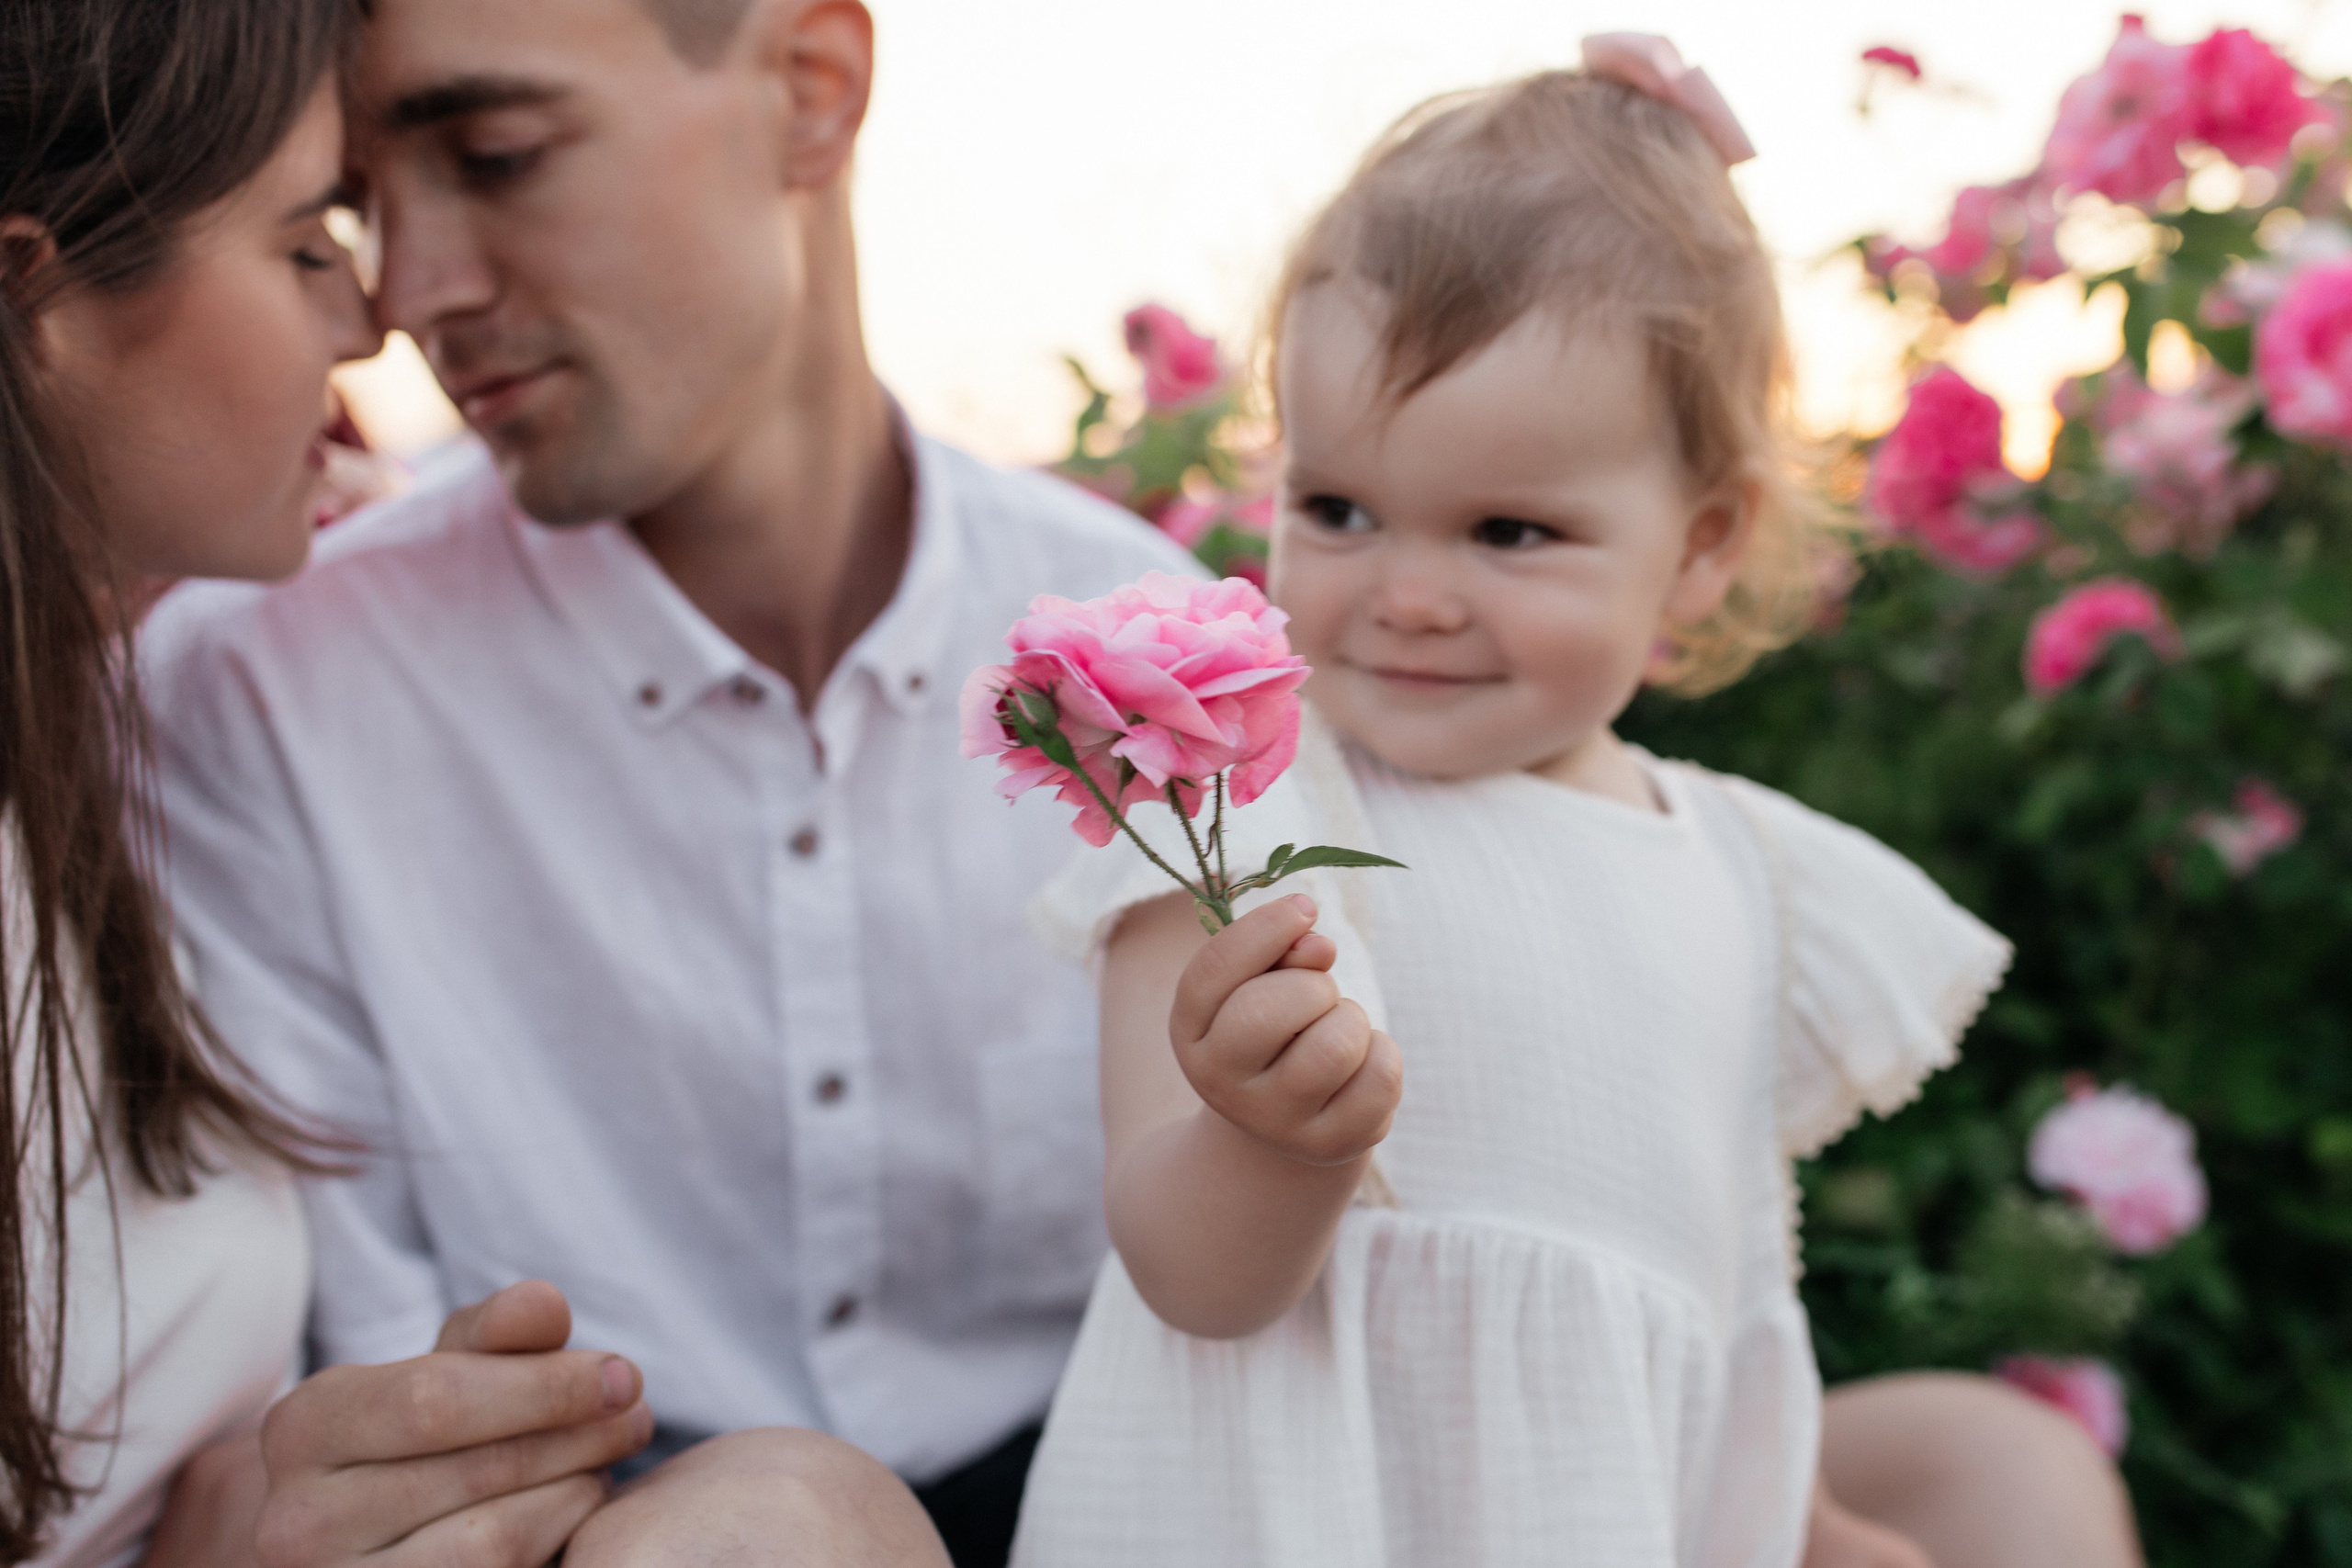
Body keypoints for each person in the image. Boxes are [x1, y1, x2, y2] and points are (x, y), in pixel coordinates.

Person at [1007, 41, 2146, 1568]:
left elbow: (1720, 1301)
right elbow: (1191, 1279)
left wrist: (1808, 1530)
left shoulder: (1748, 881)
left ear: (1702, 544)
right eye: (1338, 509)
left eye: (1507, 531)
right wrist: (1271, 1144)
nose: (1409, 593)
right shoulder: (1245, 816)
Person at [140, 0, 1197, 1563]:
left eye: (496, 156)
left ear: (811, 92)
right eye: (359, 209)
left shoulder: (1142, 656)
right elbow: (353, 1407)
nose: (407, 294)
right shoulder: (263, 693)